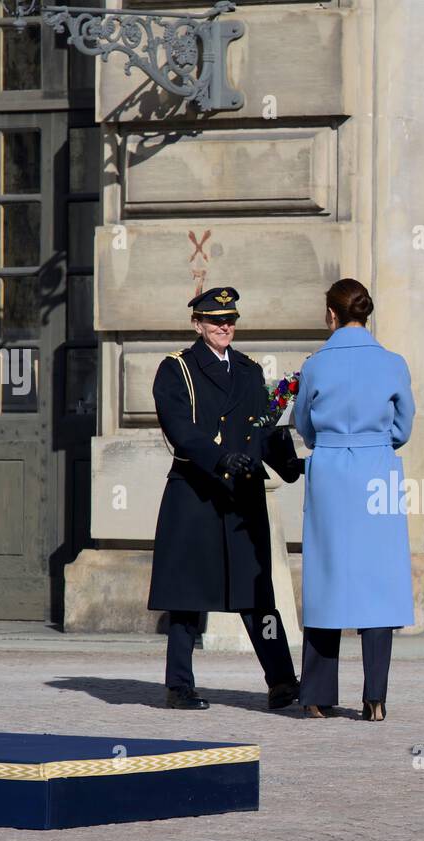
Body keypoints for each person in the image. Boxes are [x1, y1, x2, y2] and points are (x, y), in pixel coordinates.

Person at [148, 286, 304, 711]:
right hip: (196, 494)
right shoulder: (175, 370)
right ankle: (179, 685)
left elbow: (266, 427)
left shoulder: (250, 371)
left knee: (259, 598)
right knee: (186, 596)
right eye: (216, 321)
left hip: (242, 497)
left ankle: (282, 681)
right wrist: (221, 458)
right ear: (197, 324)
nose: (225, 327)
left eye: (230, 320)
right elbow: (180, 429)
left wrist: (290, 465)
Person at [294, 278, 415, 721]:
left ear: (331, 314)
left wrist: (328, 440)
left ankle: (316, 695)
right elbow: (403, 427)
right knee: (377, 581)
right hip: (375, 469)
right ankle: (375, 697)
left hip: (328, 468)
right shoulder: (392, 362)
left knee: (325, 577)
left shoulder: (315, 365)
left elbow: (303, 423)